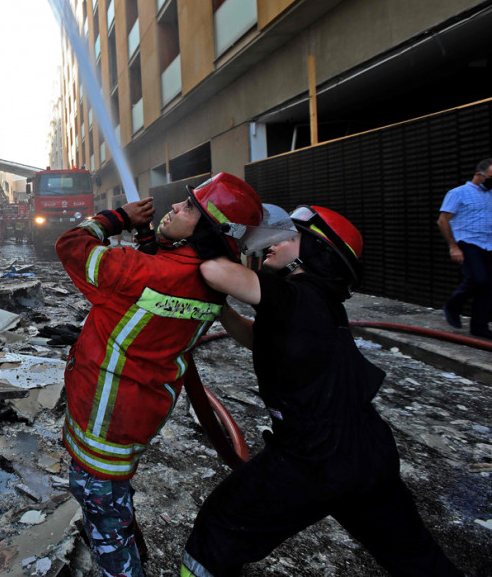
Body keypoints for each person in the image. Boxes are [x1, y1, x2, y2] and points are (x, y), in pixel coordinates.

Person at [181, 206, 462, 577]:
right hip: (368, 453)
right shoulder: (317, 301)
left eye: (288, 235)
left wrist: (208, 228)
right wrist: (222, 313)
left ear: (315, 251)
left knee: (217, 531)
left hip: (312, 457)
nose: (272, 241)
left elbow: (215, 270)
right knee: (414, 556)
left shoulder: (298, 296)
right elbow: (259, 339)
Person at [56, 173, 264, 577]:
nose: (174, 207)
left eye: (188, 208)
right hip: (141, 413)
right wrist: (157, 244)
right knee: (113, 494)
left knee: (100, 505)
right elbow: (169, 282)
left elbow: (71, 245)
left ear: (208, 229)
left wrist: (116, 217)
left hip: (102, 415)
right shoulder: (210, 281)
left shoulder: (136, 272)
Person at [437, 158, 492, 340]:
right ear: (479, 175)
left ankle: (479, 326)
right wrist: (453, 246)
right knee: (478, 279)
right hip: (467, 242)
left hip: (488, 243)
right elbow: (443, 220)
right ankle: (453, 305)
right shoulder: (458, 193)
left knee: (489, 286)